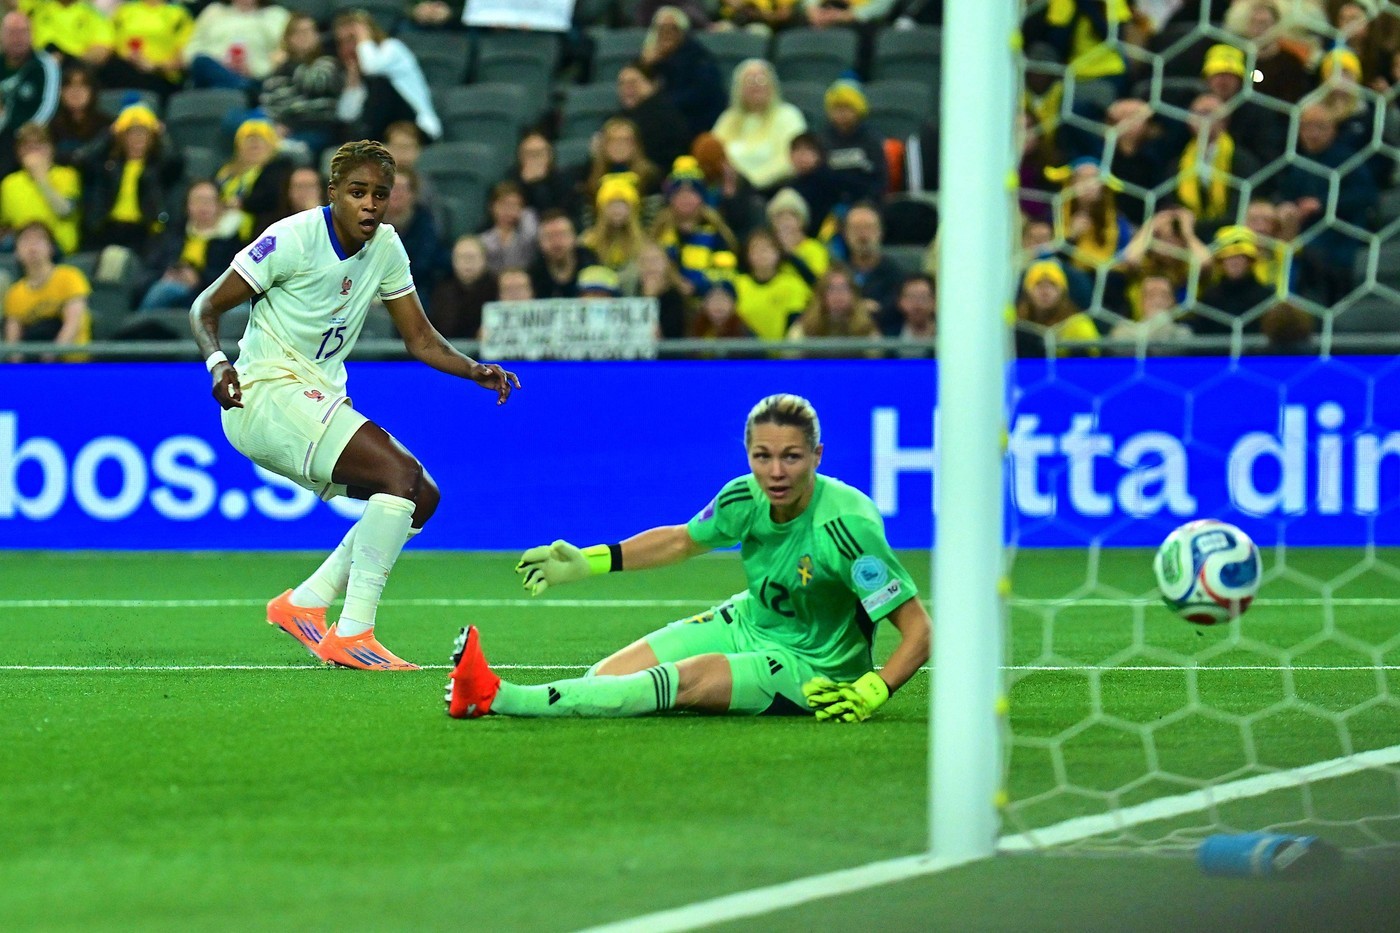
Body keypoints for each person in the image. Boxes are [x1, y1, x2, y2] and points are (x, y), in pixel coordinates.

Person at [189, 139, 520, 671]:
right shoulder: (291, 238)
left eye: (380, 194)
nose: (370, 204)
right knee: (400, 476)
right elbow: (205, 306)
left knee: (422, 498)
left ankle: (304, 604)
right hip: (264, 395)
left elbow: (422, 339)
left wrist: (474, 368)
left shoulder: (386, 246)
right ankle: (353, 633)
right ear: (334, 193)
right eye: (358, 192)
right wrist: (217, 365)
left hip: (314, 395)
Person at [446, 393, 931, 721]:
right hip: (749, 620)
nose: (776, 471)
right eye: (763, 456)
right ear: (747, 454)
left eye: (792, 457)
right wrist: (589, 563)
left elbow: (918, 631)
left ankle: (497, 696)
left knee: (688, 681)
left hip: (812, 668)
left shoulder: (847, 528)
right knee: (607, 679)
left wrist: (875, 687)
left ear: (818, 456)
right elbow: (681, 541)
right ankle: (497, 696)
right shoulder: (744, 498)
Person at [710, 58, 808, 192]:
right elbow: (712, 153)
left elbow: (790, 161)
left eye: (761, 79)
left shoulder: (788, 115)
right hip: (729, 189)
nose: (756, 85)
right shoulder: (727, 118)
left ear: (772, 84)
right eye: (749, 81)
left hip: (774, 189)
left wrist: (750, 182)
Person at [3, 221, 91, 363]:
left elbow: (73, 323)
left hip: (72, 365)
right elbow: (13, 343)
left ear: (51, 248)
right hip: (32, 367)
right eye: (26, 240)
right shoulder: (15, 293)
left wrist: (50, 357)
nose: (32, 246)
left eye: (39, 240)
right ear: (16, 252)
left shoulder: (70, 277)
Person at [0, 122, 82, 256]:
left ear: (51, 149)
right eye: (27, 146)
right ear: (18, 152)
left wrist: (40, 178)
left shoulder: (67, 175)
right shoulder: (9, 183)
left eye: (39, 145)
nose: (33, 151)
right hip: (19, 251)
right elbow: (5, 226)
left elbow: (65, 211)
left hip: (58, 249)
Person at [0, 12, 62, 176]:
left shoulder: (45, 64)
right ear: (2, 35)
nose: (17, 37)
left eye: (23, 31)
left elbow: (49, 105)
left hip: (31, 136)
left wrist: (24, 131)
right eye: (12, 32)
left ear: (32, 34)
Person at [615, 61, 692, 173]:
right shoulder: (617, 119)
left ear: (653, 84)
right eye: (622, 84)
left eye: (633, 83)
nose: (627, 89)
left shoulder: (666, 116)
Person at [428, 234, 496, 340]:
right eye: (461, 257)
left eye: (472, 257)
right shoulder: (442, 292)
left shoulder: (496, 289)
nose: (467, 262)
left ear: (485, 260)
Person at [527, 210, 597, 299]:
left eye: (562, 234)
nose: (556, 242)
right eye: (549, 236)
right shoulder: (534, 275)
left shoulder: (592, 265)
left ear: (574, 237)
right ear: (539, 242)